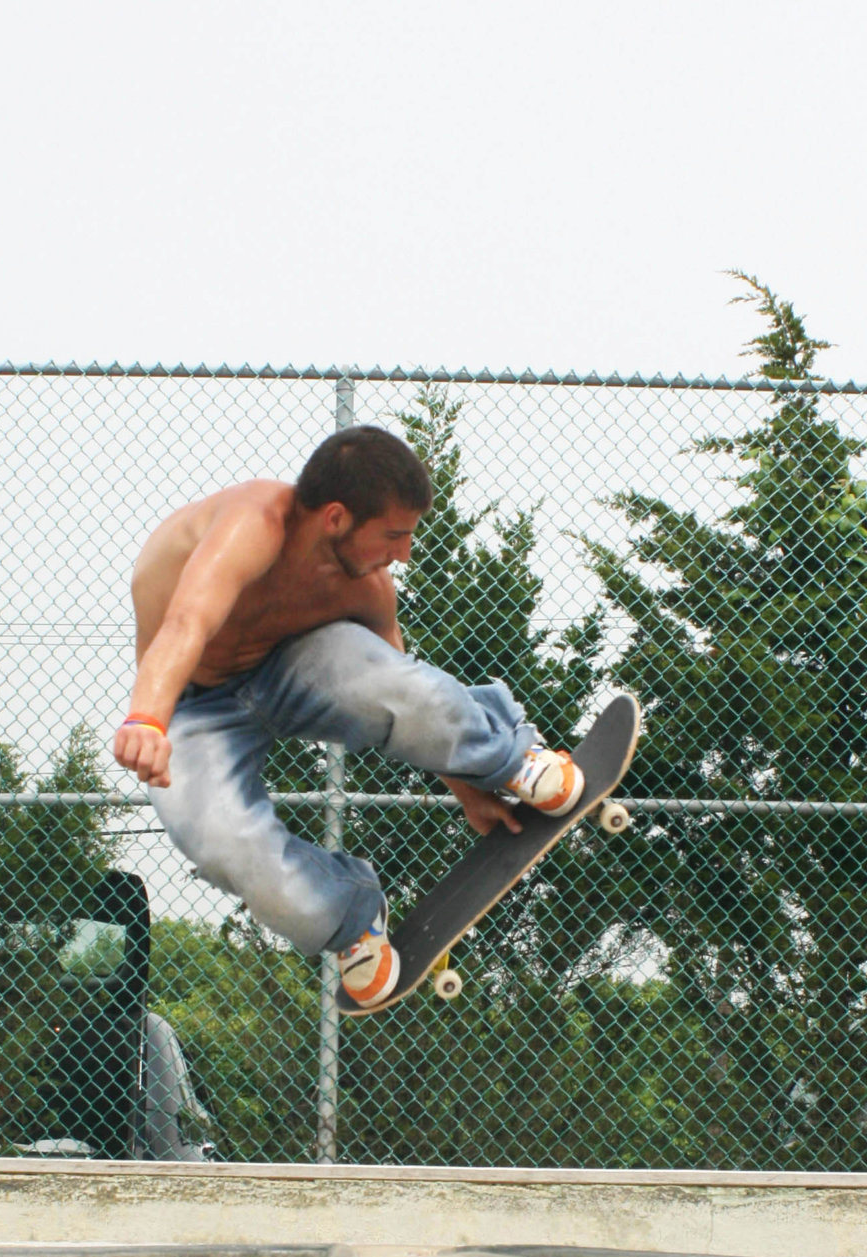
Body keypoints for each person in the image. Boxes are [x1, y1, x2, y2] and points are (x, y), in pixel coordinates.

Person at [112, 425, 583, 1007]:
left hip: (293, 668)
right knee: (223, 844)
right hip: (188, 702)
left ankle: (512, 756)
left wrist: (468, 785)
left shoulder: (368, 589)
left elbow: (403, 690)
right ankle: (353, 916)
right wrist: (146, 721)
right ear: (336, 517)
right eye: (392, 535)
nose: (403, 554)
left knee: (378, 671)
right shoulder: (252, 525)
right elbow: (187, 624)